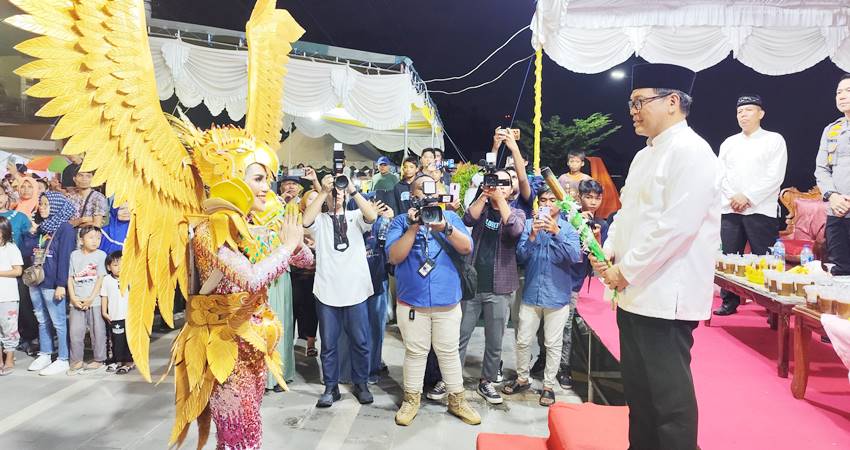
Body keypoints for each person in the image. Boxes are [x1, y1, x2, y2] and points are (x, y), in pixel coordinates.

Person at [590, 63, 720, 450]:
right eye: (631, 103)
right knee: (640, 395)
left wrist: (625, 270)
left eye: (639, 102)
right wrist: (608, 252)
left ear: (672, 102)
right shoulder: (643, 156)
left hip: (666, 295)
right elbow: (627, 214)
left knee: (669, 403)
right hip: (633, 292)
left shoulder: (693, 151)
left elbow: (676, 227)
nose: (632, 111)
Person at [386, 174, 481, 426]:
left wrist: (445, 227)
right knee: (415, 352)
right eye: (421, 189)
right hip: (412, 302)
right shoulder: (400, 221)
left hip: (447, 300)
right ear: (412, 195)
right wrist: (413, 227)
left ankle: (457, 400)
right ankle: (411, 400)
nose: (427, 194)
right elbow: (394, 257)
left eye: (432, 188)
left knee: (448, 352)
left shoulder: (450, 218)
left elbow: (467, 247)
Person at [302, 166, 377, 407]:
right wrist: (324, 191)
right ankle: (331, 387)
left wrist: (352, 189)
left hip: (356, 290)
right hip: (327, 290)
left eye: (339, 192)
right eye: (334, 192)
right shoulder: (320, 219)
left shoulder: (355, 216)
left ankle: (361, 383)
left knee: (361, 342)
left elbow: (372, 217)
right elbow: (305, 221)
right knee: (328, 344)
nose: (337, 195)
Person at [504, 187, 581, 405]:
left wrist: (556, 232)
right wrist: (532, 236)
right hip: (531, 293)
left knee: (552, 343)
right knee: (522, 340)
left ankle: (548, 386)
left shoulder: (569, 229)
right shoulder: (530, 225)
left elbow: (575, 257)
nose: (547, 204)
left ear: (560, 204)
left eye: (552, 200)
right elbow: (520, 256)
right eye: (543, 200)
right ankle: (522, 378)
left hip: (557, 296)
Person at [715, 94, 788, 316]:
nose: (743, 115)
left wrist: (747, 196)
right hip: (731, 208)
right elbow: (720, 174)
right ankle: (729, 301)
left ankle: (771, 306)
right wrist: (734, 196)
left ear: (761, 114)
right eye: (739, 111)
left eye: (748, 110)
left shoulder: (774, 139)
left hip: (760, 209)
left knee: (765, 259)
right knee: (729, 257)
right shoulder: (729, 143)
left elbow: (775, 175)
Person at [459, 169, 526, 405]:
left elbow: (515, 229)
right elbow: (468, 219)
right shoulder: (483, 207)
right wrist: (484, 196)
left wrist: (500, 200)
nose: (499, 186)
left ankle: (486, 380)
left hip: (500, 287)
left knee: (495, 340)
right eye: (495, 181)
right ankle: (452, 379)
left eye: (505, 183)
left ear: (512, 189)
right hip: (473, 285)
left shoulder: (517, 212)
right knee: (460, 335)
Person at [22, 191, 77, 376]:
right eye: (41, 204)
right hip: (36, 281)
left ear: (57, 206)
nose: (42, 208)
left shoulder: (65, 229)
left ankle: (63, 358)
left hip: (52, 283)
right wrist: (32, 233)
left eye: (46, 204)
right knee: (41, 319)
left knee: (58, 321)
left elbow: (65, 258)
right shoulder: (42, 227)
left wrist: (61, 284)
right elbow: (27, 251)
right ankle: (45, 353)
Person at [816, 73, 850, 276]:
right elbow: (821, 169)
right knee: (841, 271)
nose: (842, 96)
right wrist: (833, 196)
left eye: (848, 91)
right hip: (837, 212)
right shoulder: (831, 130)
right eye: (838, 92)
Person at [67, 225, 107, 374]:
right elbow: (70, 278)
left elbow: (100, 278)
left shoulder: (101, 255)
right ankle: (76, 361)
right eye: (91, 237)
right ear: (81, 239)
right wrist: (73, 297)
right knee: (75, 332)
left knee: (98, 331)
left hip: (94, 300)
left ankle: (99, 359)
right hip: (76, 300)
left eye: (98, 238)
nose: (95, 241)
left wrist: (91, 298)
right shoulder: (74, 255)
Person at [292, 190, 320, 358]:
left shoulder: (323, 220)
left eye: (317, 198)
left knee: (311, 310)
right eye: (310, 198)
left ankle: (310, 343)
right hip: (296, 272)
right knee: (294, 308)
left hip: (315, 274)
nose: (313, 201)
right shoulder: (296, 219)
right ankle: (289, 343)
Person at [100, 250, 134, 373]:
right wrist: (104, 312)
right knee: (116, 340)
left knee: (128, 340)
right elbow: (104, 296)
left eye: (122, 264)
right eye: (115, 265)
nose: (119, 268)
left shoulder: (130, 278)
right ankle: (116, 361)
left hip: (129, 317)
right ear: (109, 267)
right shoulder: (106, 280)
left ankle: (128, 362)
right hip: (115, 316)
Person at [0, 216, 23, 376]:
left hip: (7, 295)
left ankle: (9, 358)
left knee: (9, 328)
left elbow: (18, 271)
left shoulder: (11, 248)